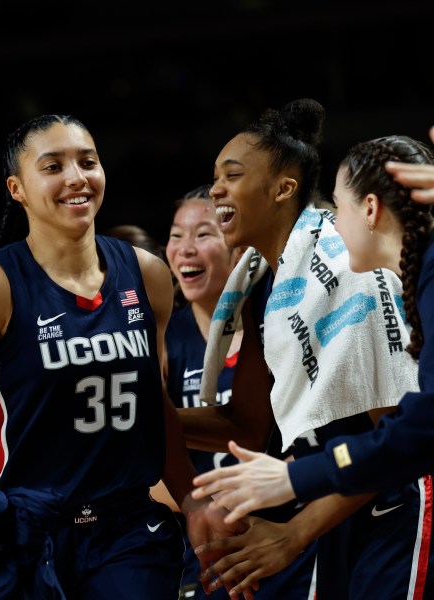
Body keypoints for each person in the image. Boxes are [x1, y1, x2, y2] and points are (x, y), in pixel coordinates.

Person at [0, 114, 240, 600]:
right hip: (25, 532)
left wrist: (189, 496)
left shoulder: (147, 275)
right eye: (53, 166)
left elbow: (153, 408)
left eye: (88, 161)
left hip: (128, 533)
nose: (77, 177)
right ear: (17, 188)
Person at [176, 99, 431, 599]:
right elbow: (249, 426)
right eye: (214, 177)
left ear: (283, 189)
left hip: (392, 496)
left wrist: (293, 533)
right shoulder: (259, 287)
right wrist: (146, 420)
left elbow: (400, 438)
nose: (216, 190)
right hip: (335, 500)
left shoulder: (345, 270)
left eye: (231, 175)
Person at [160, 184, 318, 599]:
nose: (185, 249)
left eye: (203, 234)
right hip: (205, 539)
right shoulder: (162, 338)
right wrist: (205, 507)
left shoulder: (281, 323)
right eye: (176, 235)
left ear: (238, 248)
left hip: (286, 528)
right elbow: (144, 451)